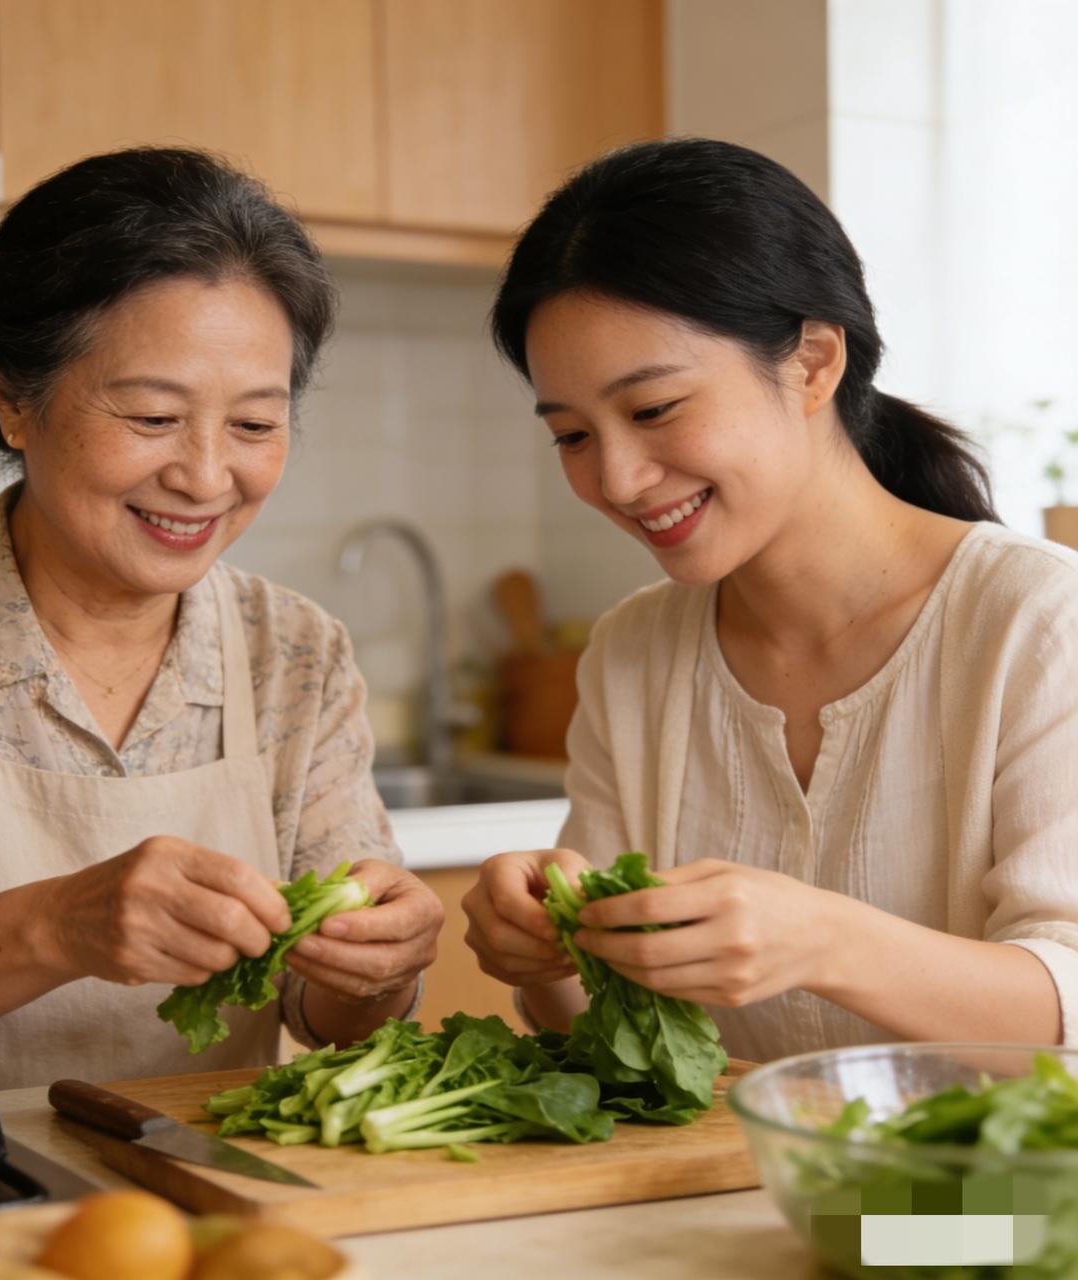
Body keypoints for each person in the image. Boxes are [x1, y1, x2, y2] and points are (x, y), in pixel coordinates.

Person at [0, 147, 442, 1100]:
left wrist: (379, 969)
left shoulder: (293, 652)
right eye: (151, 417)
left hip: (202, 1210)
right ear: (16, 399)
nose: (206, 475)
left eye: (256, 426)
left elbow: (325, 1015)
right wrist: (59, 927)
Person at [462, 138, 1078, 1062]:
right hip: (753, 1189)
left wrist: (824, 940)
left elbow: (1066, 999)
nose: (619, 479)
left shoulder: (1038, 622)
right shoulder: (634, 652)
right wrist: (545, 958)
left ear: (814, 363)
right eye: (573, 436)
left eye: (656, 409)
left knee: (892, 1223)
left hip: (1005, 1200)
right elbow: (610, 1036)